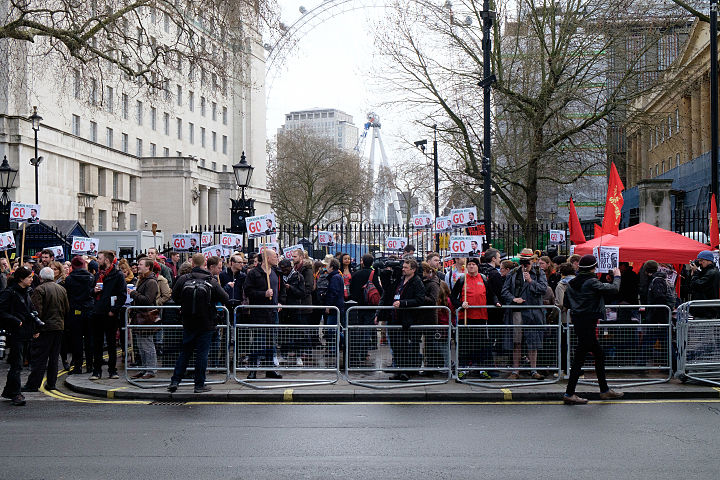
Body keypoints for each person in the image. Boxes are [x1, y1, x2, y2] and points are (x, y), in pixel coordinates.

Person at [563, 254, 624, 404]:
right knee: (582, 358)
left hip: (578, 321)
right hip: (589, 321)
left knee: (595, 355)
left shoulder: (572, 283)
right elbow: (614, 289)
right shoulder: (591, 281)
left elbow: (566, 303)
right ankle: (571, 393)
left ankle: (604, 390)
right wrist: (617, 276)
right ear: (592, 268)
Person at [168, 253, 228, 392]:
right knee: (202, 354)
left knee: (185, 352)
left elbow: (174, 297)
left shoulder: (183, 279)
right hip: (206, 322)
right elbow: (225, 297)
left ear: (192, 264)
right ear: (204, 264)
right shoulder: (211, 280)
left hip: (188, 321)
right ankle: (199, 384)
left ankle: (175, 381)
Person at [501, 249, 548, 380]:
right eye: (523, 261)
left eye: (527, 261)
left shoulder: (539, 273)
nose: (525, 264)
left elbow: (543, 289)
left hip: (533, 313)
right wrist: (513, 299)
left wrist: (531, 281)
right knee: (517, 342)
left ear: (532, 261)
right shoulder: (513, 273)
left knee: (533, 343)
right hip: (517, 312)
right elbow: (504, 291)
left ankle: (533, 370)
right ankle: (516, 371)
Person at [451, 257, 501, 379]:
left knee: (481, 345)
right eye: (469, 264)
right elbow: (452, 298)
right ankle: (462, 369)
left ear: (478, 266)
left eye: (474, 264)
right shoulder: (462, 279)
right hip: (466, 317)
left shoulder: (484, 279)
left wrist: (496, 302)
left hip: (481, 317)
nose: (471, 266)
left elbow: (491, 294)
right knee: (465, 344)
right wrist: (460, 304)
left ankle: (481, 369)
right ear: (466, 267)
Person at [22, 267, 69, 392]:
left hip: (45, 328)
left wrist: (36, 329)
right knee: (54, 357)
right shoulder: (61, 289)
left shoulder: (39, 289)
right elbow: (66, 309)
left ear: (41, 277)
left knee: (40, 358)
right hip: (59, 327)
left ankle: (33, 384)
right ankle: (52, 383)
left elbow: (37, 312)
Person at [379, 258, 425, 381]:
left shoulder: (416, 282)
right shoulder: (400, 280)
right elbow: (387, 288)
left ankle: (406, 371)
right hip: (395, 318)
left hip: (407, 319)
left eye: (406, 268)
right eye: (403, 267)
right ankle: (398, 370)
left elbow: (420, 299)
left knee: (405, 348)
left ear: (413, 269)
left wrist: (403, 303)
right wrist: (387, 271)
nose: (403, 269)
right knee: (396, 347)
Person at [243, 249, 283, 379]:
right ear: (267, 258)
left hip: (272, 312)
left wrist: (279, 302)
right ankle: (253, 369)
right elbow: (248, 291)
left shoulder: (276, 272)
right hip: (259, 313)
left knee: (271, 341)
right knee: (258, 341)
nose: (277, 258)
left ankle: (269, 368)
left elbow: (280, 289)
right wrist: (263, 294)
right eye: (275, 256)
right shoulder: (254, 273)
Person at [0, 267, 36, 406]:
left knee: (17, 364)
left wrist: (35, 327)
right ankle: (16, 394)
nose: (32, 279)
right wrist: (15, 320)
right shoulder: (9, 293)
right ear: (21, 279)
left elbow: (30, 311)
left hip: (26, 332)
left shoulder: (27, 292)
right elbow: (1, 311)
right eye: (29, 277)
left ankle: (9, 391)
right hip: (15, 333)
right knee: (17, 365)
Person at [89, 251, 126, 380]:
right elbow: (90, 292)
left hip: (110, 314)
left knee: (111, 344)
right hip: (97, 312)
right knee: (97, 344)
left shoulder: (118, 275)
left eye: (99, 258)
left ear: (107, 261)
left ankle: (112, 370)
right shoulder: (98, 274)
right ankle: (96, 371)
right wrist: (93, 291)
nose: (97, 260)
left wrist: (114, 310)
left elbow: (122, 295)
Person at [63, 256, 96, 375]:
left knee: (76, 340)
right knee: (89, 339)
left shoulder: (69, 279)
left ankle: (77, 366)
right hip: (89, 310)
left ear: (72, 266)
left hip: (75, 311)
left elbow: (68, 295)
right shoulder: (91, 278)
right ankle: (90, 366)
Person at [129, 258, 159, 380]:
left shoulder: (151, 282)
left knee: (147, 344)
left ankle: (151, 370)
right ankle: (144, 369)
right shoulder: (143, 279)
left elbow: (147, 300)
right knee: (141, 345)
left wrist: (133, 293)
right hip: (140, 316)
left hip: (146, 317)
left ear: (148, 267)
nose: (138, 266)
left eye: (141, 264)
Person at [689, 250, 720, 319]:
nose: (699, 263)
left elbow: (698, 285)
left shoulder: (712, 273)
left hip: (706, 309)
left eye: (701, 260)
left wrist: (696, 273)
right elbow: (692, 286)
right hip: (703, 308)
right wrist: (694, 272)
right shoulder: (707, 271)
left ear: (708, 260)